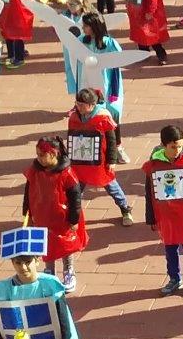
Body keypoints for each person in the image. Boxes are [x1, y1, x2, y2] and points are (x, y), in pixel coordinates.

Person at [143, 124, 183, 296]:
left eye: (180, 145)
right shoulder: (153, 166)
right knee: (170, 249)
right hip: (166, 218)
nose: (177, 150)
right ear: (164, 145)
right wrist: (150, 217)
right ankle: (174, 279)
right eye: (173, 147)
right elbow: (149, 193)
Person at [23, 136, 86, 291]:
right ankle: (49, 271)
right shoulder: (35, 171)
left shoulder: (67, 173)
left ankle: (68, 271)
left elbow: (75, 198)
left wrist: (73, 219)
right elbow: (28, 191)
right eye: (38, 155)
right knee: (46, 244)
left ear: (54, 154)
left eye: (42, 155)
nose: (39, 159)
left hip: (62, 218)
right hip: (42, 215)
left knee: (65, 244)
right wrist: (27, 212)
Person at [67, 88, 134, 227]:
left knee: (111, 186)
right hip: (80, 162)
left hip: (100, 162)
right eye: (77, 104)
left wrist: (112, 160)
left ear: (92, 104)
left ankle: (125, 209)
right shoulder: (74, 118)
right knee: (76, 189)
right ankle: (74, 214)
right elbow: (71, 137)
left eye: (82, 105)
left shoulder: (103, 117)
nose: (78, 107)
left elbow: (111, 141)